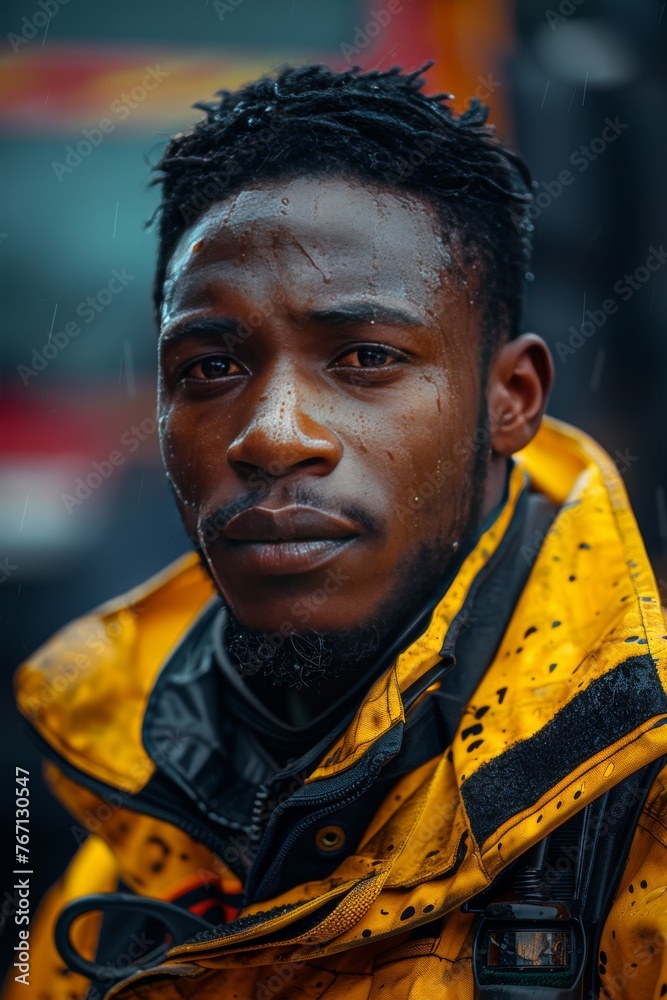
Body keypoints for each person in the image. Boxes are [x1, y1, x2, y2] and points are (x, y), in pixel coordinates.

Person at [10, 64, 667, 1000]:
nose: (271, 433)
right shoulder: (126, 795)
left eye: (365, 358)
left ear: (508, 399)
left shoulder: (641, 797)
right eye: (209, 367)